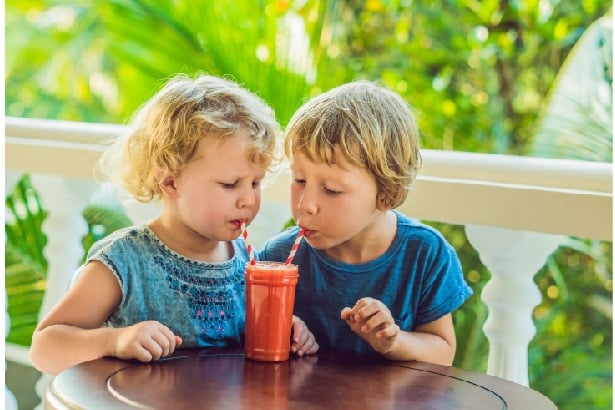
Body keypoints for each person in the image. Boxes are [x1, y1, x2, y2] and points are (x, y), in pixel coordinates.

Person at [30, 73, 318, 376]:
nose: (248, 199)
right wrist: (114, 340)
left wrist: (288, 331)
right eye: (230, 184)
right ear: (170, 181)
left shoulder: (247, 262)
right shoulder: (125, 262)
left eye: (256, 183)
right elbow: (44, 348)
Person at [258, 80, 473, 365]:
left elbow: (443, 351)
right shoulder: (279, 257)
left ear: (385, 193)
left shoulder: (425, 255)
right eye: (299, 180)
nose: (305, 204)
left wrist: (394, 341)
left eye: (331, 190)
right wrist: (286, 329)